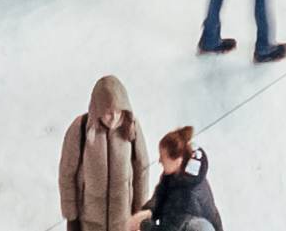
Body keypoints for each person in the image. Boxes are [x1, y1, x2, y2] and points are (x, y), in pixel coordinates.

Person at [59, 77, 149, 231]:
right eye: (108, 112)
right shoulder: (80, 129)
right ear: (97, 109)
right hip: (89, 222)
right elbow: (67, 174)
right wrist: (71, 216)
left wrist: (139, 211)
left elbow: (141, 169)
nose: (114, 118)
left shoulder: (131, 127)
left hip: (122, 222)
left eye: (119, 112)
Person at [146, 130, 220, 230]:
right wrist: (149, 211)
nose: (159, 160)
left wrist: (145, 225)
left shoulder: (188, 197)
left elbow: (170, 229)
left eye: (163, 156)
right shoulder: (177, 173)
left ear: (178, 159)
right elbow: (161, 195)